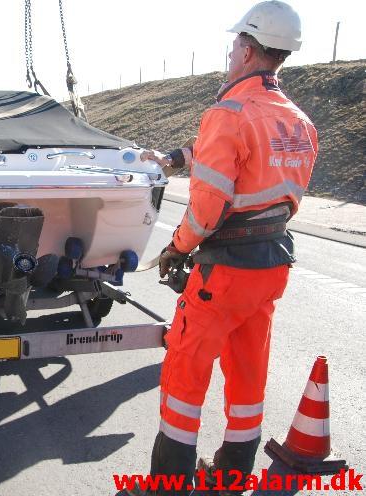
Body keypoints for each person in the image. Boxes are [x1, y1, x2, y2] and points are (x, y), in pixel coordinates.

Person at [125, 2, 317, 495]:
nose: (230, 52)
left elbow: (207, 208)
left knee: (185, 376)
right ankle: (232, 477)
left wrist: (175, 247)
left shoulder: (228, 112)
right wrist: (174, 158)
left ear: (249, 50)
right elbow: (249, 166)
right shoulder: (296, 120)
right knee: (248, 371)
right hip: (271, 265)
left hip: (223, 273)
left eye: (235, 44)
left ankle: (169, 485)